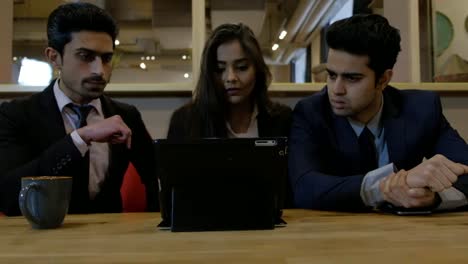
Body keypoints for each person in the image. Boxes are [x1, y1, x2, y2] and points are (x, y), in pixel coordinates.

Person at [288, 14, 468, 212]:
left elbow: (465, 169)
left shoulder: (421, 108)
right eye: (331, 75)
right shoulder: (311, 112)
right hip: (335, 236)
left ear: (384, 79)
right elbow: (304, 188)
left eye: (352, 78)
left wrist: (433, 197)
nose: (336, 89)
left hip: (410, 236)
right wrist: (384, 187)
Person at [0, 2, 158, 215]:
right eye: (85, 56)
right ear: (54, 57)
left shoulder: (125, 115)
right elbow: (8, 195)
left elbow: (158, 179)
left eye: (106, 58)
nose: (99, 70)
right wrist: (79, 138)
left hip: (110, 240)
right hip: (40, 242)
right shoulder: (16, 115)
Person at [167, 23, 292, 139]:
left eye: (242, 67)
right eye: (220, 69)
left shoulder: (282, 119)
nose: (231, 78)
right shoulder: (185, 121)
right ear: (209, 74)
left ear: (257, 69)